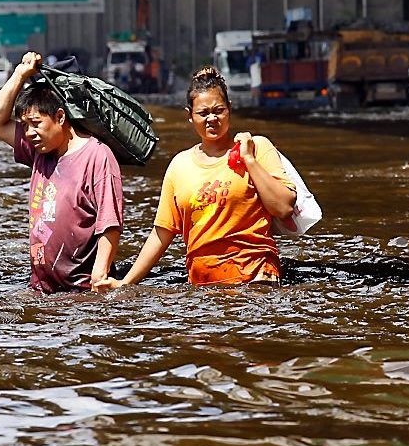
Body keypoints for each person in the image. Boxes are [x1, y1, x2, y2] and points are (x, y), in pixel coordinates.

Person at [93, 67, 296, 291]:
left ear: (229, 110)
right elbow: (162, 232)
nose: (212, 118)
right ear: (189, 116)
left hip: (257, 280)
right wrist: (125, 283)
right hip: (202, 287)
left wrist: (248, 159)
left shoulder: (257, 148)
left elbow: (284, 207)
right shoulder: (180, 165)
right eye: (203, 113)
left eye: (219, 110)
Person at [0, 51, 125, 294]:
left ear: (60, 117)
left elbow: (109, 223)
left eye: (36, 123)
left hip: (80, 291)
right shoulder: (39, 150)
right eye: (24, 125)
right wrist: (19, 75)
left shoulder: (97, 156)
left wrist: (99, 277)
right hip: (42, 288)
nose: (28, 133)